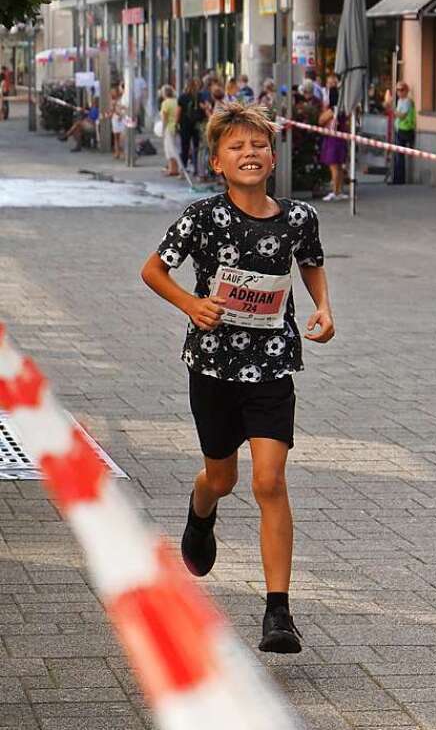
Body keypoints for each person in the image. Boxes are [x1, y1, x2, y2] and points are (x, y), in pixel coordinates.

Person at [139, 102, 335, 653]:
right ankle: (201, 513)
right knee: (221, 478)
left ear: (272, 156)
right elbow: (153, 269)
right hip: (214, 368)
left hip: (273, 364)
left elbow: (311, 262)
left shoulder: (299, 218)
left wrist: (323, 307)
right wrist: (189, 304)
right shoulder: (203, 217)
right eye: (236, 147)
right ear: (217, 162)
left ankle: (279, 613)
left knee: (269, 481)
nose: (249, 153)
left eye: (257, 145)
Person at [318, 103, 349, 202]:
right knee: (339, 166)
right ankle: (338, 191)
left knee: (334, 166)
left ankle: (335, 192)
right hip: (340, 139)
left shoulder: (333, 110)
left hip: (332, 140)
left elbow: (321, 120)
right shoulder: (344, 109)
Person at [389, 81, 416, 185]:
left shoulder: (407, 102)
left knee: (399, 156)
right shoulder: (400, 101)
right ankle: (396, 179)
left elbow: (402, 115)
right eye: (397, 90)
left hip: (405, 130)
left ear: (406, 91)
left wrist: (393, 110)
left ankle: (400, 180)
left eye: (401, 90)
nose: (399, 92)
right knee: (397, 155)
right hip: (399, 128)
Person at [177, 78, 203, 177]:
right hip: (197, 124)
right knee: (196, 147)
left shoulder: (182, 97)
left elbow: (178, 112)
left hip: (185, 124)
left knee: (185, 147)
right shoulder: (199, 96)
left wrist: (176, 123)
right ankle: (197, 169)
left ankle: (183, 169)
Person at [160, 85, 180, 177]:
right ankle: (175, 169)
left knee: (169, 149)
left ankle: (173, 169)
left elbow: (164, 118)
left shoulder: (165, 103)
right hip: (177, 127)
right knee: (175, 148)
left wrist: (162, 130)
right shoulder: (176, 101)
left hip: (169, 128)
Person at [110, 84, 126, 160]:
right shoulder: (112, 101)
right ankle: (117, 152)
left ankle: (122, 152)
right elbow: (112, 110)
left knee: (122, 137)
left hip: (122, 118)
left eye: (113, 92)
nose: (112, 93)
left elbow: (125, 107)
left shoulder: (122, 99)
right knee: (116, 137)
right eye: (111, 92)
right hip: (115, 118)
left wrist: (121, 114)